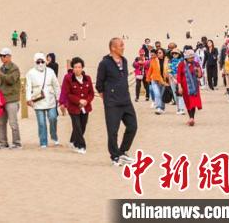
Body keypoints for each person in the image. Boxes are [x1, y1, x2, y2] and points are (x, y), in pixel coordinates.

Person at [95, 38, 137, 166]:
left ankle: (122, 152)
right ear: (113, 48)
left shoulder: (124, 61)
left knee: (132, 126)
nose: (123, 47)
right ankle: (115, 157)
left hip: (126, 100)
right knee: (113, 131)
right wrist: (107, 98)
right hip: (112, 103)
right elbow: (99, 84)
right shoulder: (104, 63)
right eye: (121, 45)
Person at [25, 53, 60, 148]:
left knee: (53, 118)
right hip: (38, 100)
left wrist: (58, 97)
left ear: (45, 61)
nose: (40, 64)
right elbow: (28, 87)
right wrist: (28, 99)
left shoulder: (50, 71)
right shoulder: (30, 73)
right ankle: (43, 141)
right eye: (38, 61)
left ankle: (54, 135)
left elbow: (56, 85)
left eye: (42, 61)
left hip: (50, 99)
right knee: (41, 122)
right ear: (35, 62)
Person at [62, 57, 94, 153]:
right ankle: (81, 146)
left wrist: (86, 101)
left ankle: (73, 141)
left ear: (82, 68)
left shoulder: (87, 78)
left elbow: (91, 93)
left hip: (85, 107)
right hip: (73, 107)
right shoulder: (68, 78)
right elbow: (68, 94)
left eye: (79, 67)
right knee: (77, 126)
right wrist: (79, 100)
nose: (77, 69)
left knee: (82, 126)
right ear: (72, 68)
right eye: (75, 67)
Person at [0, 48, 22, 149]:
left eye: (4, 56)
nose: (1, 57)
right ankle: (3, 143)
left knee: (13, 122)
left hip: (12, 99)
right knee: (1, 122)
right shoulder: (1, 68)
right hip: (2, 99)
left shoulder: (14, 68)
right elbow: (1, 83)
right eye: (0, 56)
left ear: (9, 56)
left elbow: (10, 80)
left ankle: (17, 143)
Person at [177, 50, 203, 126]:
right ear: (186, 57)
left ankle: (192, 118)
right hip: (185, 87)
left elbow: (200, 76)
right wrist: (179, 87)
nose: (192, 59)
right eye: (190, 57)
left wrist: (198, 71)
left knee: (193, 102)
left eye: (193, 57)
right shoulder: (181, 64)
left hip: (194, 87)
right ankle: (191, 118)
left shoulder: (196, 64)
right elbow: (179, 76)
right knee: (188, 102)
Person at [146, 48, 168, 114]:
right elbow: (150, 70)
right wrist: (148, 78)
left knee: (162, 95)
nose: (158, 54)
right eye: (157, 53)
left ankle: (162, 108)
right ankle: (158, 107)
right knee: (157, 94)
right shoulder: (153, 60)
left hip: (164, 81)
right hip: (155, 80)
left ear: (163, 53)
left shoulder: (167, 60)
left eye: (160, 52)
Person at [166, 48, 186, 114]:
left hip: (180, 78)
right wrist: (172, 78)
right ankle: (178, 108)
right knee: (175, 94)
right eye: (173, 53)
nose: (174, 54)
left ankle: (182, 109)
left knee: (181, 93)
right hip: (172, 78)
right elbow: (169, 70)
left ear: (179, 54)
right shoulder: (170, 61)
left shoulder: (182, 61)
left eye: (176, 53)